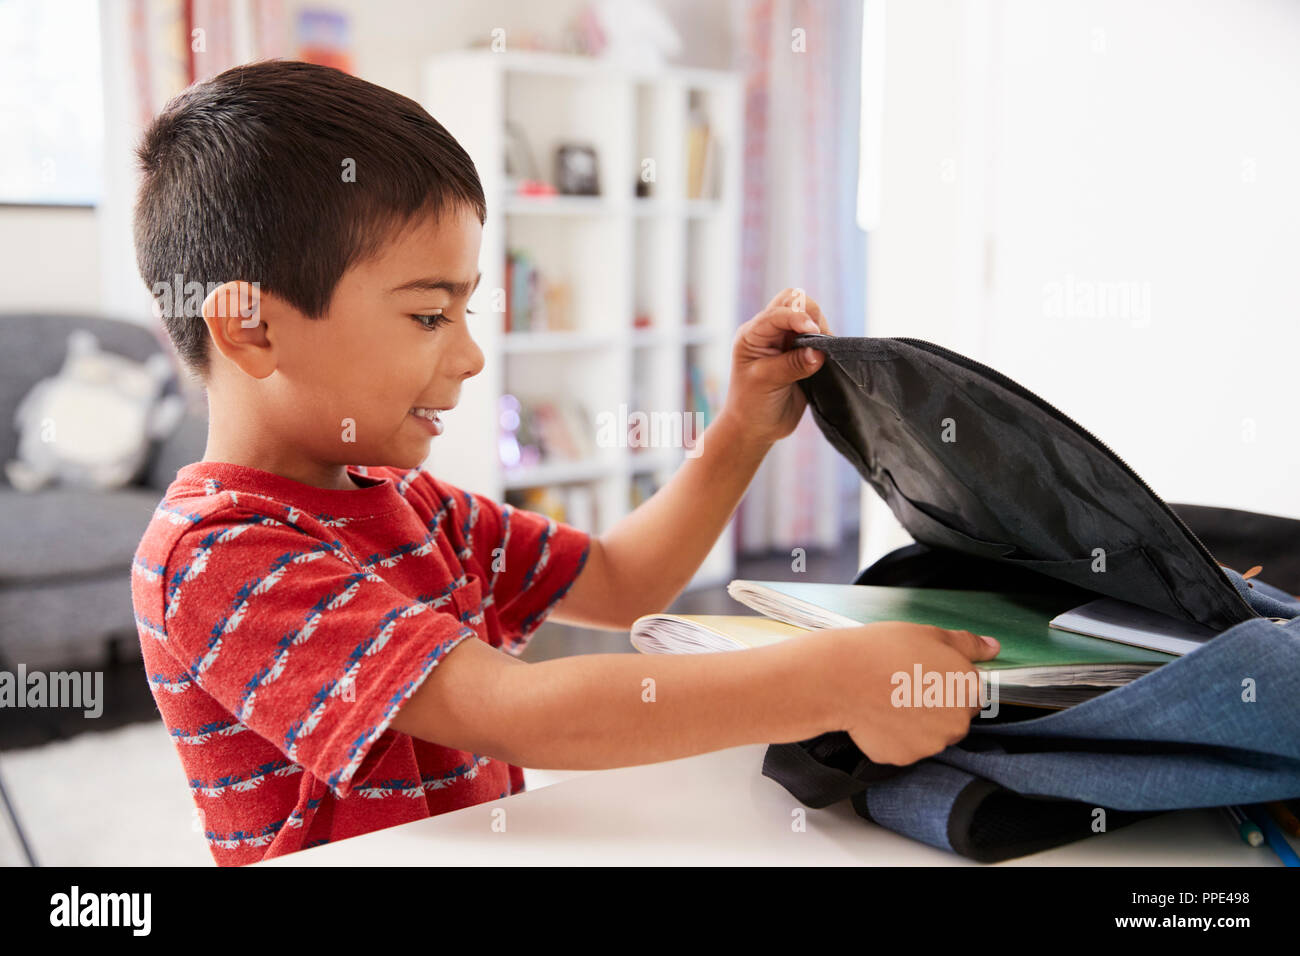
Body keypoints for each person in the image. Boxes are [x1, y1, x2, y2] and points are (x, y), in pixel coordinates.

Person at [130, 59, 999, 865]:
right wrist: (828, 682)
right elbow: (516, 713)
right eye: (431, 316)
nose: (471, 357)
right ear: (252, 328)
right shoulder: (214, 556)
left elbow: (621, 582)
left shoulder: (411, 502)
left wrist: (740, 429)